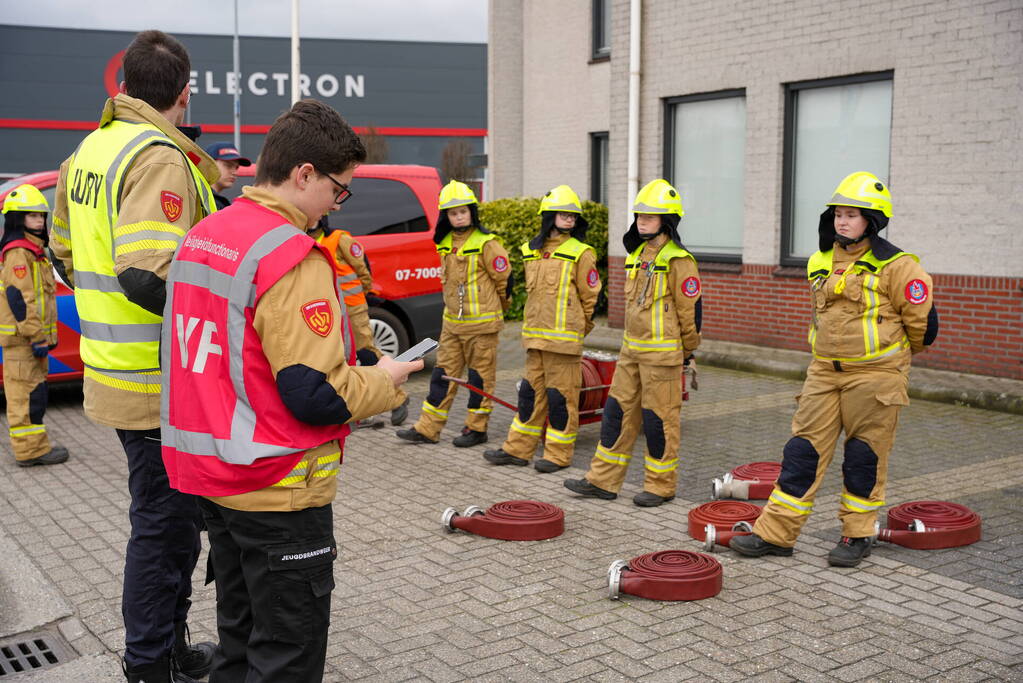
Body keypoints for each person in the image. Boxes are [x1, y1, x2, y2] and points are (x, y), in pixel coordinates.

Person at [162, 98, 424, 683]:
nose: (338, 203)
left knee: (238, 643)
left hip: (215, 478)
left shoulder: (204, 235)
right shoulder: (289, 255)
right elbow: (315, 394)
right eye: (338, 187)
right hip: (277, 487)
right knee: (285, 657)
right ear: (304, 174)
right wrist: (385, 381)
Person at [51, 30, 218, 683]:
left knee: (173, 523)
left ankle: (169, 648)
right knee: (163, 526)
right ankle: (149, 662)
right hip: (159, 380)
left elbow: (64, 253)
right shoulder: (158, 156)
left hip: (117, 371)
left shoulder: (88, 151)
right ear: (184, 92)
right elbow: (148, 273)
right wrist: (224, 318)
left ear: (124, 85)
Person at [730, 171, 938, 567]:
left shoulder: (898, 266)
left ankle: (857, 535)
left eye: (852, 215)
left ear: (872, 220)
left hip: (875, 376)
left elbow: (923, 327)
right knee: (801, 452)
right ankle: (776, 534)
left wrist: (890, 361)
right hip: (824, 372)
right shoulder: (820, 261)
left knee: (863, 457)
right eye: (838, 214)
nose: (842, 221)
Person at [564, 179, 701, 507]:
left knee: (658, 422)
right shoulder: (637, 255)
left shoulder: (679, 260)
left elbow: (691, 313)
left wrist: (688, 352)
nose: (641, 221)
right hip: (630, 353)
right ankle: (602, 481)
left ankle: (661, 486)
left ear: (667, 221)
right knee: (616, 414)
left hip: (662, 358)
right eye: (639, 215)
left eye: (649, 217)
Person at [483, 185, 600, 472]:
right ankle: (518, 450)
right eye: (563, 214)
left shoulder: (581, 252)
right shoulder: (531, 251)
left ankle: (558, 455)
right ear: (548, 216)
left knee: (561, 400)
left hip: (563, 344)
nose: (570, 219)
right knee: (528, 396)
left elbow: (590, 299)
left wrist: (576, 330)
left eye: (573, 216)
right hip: (535, 340)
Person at [396, 180, 510, 447]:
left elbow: (504, 282)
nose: (458, 217)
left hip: (482, 326)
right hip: (452, 325)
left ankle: (476, 429)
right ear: (446, 216)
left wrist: (496, 312)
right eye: (453, 213)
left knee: (479, 379)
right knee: (441, 376)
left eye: (463, 211)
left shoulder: (487, 243)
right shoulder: (445, 243)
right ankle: (428, 428)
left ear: (472, 212)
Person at [315, 216, 410, 426]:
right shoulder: (302, 240)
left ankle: (398, 398)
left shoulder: (339, 238)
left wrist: (363, 295)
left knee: (366, 353)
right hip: (328, 310)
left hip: (352, 306)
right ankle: (364, 408)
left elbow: (362, 270)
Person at [0, 185, 69, 467]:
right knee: (24, 397)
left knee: (35, 394)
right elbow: (20, 299)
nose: (39, 221)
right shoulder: (19, 252)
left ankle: (36, 447)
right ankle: (29, 452)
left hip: (30, 340)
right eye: (32, 216)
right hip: (23, 341)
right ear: (17, 219)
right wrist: (37, 336)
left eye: (41, 216)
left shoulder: (34, 251)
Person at [204, 142, 252, 211]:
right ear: (210, 164)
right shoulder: (203, 199)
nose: (235, 173)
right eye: (228, 165)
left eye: (236, 167)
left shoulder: (210, 199)